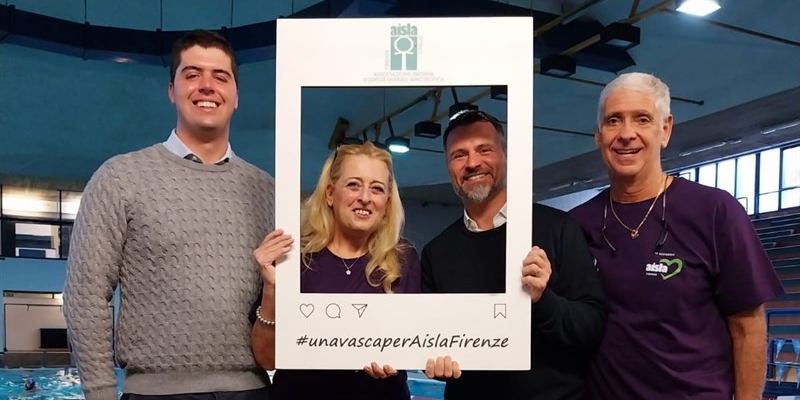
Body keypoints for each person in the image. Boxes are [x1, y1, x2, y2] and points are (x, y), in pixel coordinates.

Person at [63, 30, 273, 400]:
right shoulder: (120, 178)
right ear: (172, 91)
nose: (206, 86)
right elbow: (86, 294)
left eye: (220, 77)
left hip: (252, 390)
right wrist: (100, 393)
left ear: (236, 96)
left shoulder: (266, 189)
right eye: (192, 74)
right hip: (155, 393)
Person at [569, 72, 785, 400]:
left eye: (642, 119)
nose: (626, 134)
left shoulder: (715, 211)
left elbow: (748, 328)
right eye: (613, 121)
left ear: (665, 129)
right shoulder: (576, 225)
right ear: (598, 136)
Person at [420, 110, 607, 400]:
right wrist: (433, 361)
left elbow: (592, 328)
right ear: (448, 167)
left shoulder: (558, 228)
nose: (472, 163)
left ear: (506, 155)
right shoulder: (436, 252)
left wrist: (542, 300)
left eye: (484, 149)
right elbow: (431, 341)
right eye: (459, 155)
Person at [250, 140, 429, 400]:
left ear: (387, 202)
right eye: (353, 184)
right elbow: (267, 359)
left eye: (377, 188)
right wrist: (271, 288)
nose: (365, 197)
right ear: (330, 194)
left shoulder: (404, 258)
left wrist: (397, 360)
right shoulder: (293, 257)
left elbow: (411, 344)